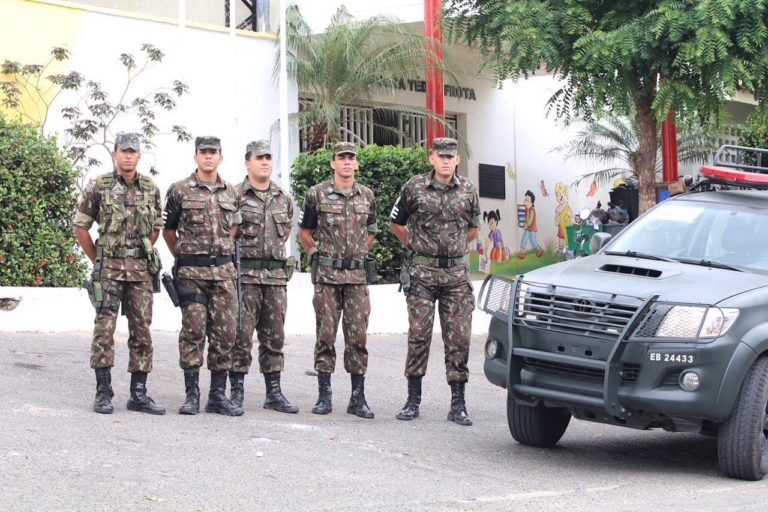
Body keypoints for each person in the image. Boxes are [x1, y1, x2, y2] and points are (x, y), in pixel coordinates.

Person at [389, 137, 480, 426]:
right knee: (418, 336)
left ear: (457, 160)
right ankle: (412, 400)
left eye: (449, 156)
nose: (444, 160)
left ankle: (458, 404)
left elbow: (474, 229)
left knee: (458, 339)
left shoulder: (468, 190)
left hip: (455, 277)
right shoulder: (414, 187)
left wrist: (452, 251)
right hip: (422, 276)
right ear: (431, 158)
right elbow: (396, 223)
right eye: (439, 156)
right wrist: (416, 246)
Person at [74, 132, 166, 415]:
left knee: (142, 332)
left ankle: (138, 393)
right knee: (104, 331)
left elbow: (156, 228)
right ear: (115, 154)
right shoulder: (98, 186)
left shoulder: (151, 188)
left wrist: (141, 251)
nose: (128, 156)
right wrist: (97, 259)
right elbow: (81, 227)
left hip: (140, 272)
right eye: (123, 151)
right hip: (109, 272)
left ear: (139, 156)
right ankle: (103, 392)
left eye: (133, 151)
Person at [163, 136, 243, 417]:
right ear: (195, 156)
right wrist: (184, 257)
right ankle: (192, 395)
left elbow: (233, 230)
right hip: (191, 275)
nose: (208, 157)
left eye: (213, 153)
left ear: (221, 157)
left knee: (225, 334)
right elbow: (168, 231)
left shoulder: (232, 193)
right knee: (193, 331)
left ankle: (217, 396)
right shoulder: (179, 190)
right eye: (203, 153)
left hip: (223, 275)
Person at [298, 141, 378, 419]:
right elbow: (305, 233)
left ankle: (358, 398)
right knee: (326, 335)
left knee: (357, 337)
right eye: (341, 158)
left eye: (351, 158)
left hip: (356, 277)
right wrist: (315, 254)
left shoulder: (366, 195)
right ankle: (325, 396)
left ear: (356, 164)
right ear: (332, 163)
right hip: (328, 278)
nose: (346, 162)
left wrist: (360, 251)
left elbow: (372, 230)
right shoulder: (316, 194)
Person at [231, 140, 298, 413]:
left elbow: (287, 233)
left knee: (274, 337)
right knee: (240, 337)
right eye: (259, 158)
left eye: (269, 157)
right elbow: (229, 236)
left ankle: (274, 392)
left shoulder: (284, 198)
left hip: (274, 278)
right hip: (244, 276)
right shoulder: (233, 195)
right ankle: (235, 392)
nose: (265, 162)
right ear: (248, 162)